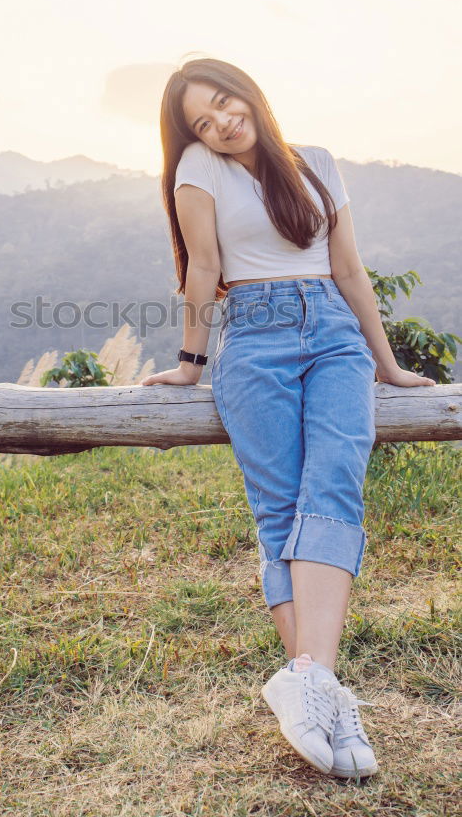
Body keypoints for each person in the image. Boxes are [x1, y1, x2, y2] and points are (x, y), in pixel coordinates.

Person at [140, 57, 436, 779]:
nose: (220, 124)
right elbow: (203, 268)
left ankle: (312, 687)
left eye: (223, 104)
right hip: (254, 339)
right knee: (280, 510)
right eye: (201, 123)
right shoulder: (198, 173)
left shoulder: (320, 163)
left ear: (247, 91)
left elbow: (350, 270)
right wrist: (189, 362)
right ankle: (324, 697)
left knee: (334, 485)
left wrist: (387, 363)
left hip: (334, 335)